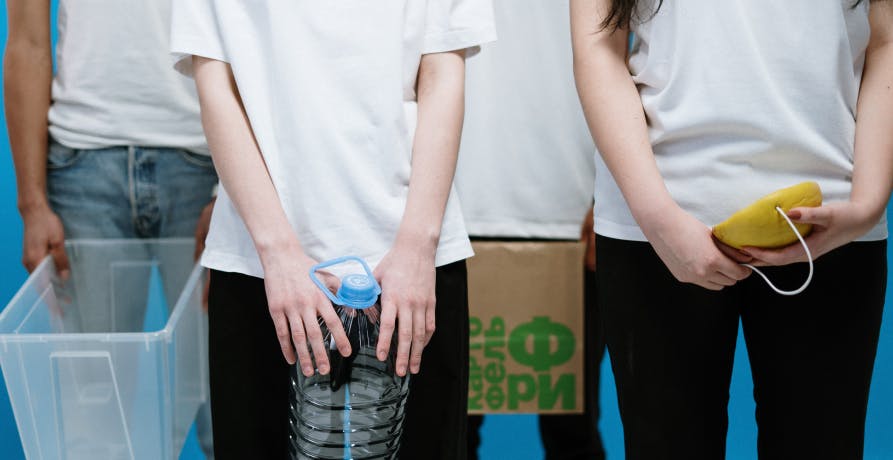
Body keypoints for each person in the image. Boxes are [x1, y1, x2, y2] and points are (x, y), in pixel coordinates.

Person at [170, 1, 496, 458]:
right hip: (261, 264)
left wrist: (417, 246)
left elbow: (443, 69)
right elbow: (215, 80)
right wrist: (278, 252)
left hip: (409, 261)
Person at [571, 0, 892, 459]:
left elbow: (886, 39)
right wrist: (659, 218)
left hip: (830, 221)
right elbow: (598, 44)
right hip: (658, 222)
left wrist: (867, 204)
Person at [3, 0, 217, 457]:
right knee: (94, 424)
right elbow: (27, 41)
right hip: (84, 167)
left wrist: (232, 193)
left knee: (230, 410)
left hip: (211, 157)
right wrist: (31, 202)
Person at [455, 1, 604, 458]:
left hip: (574, 216)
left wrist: (616, 198)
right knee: (448, 426)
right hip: (449, 220)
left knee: (573, 428)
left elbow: (636, 63)